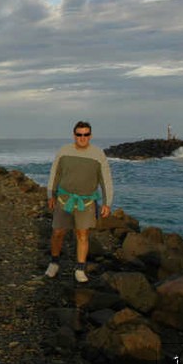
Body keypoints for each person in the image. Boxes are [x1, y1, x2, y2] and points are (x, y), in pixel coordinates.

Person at [45, 121, 113, 282]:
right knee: (58, 232)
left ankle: (80, 269)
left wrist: (107, 203)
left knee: (82, 234)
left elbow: (106, 180)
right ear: (74, 135)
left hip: (87, 202)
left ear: (90, 135)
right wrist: (51, 195)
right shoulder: (63, 151)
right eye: (79, 134)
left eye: (86, 134)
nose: (82, 138)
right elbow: (55, 174)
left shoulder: (98, 154)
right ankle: (54, 263)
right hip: (64, 199)